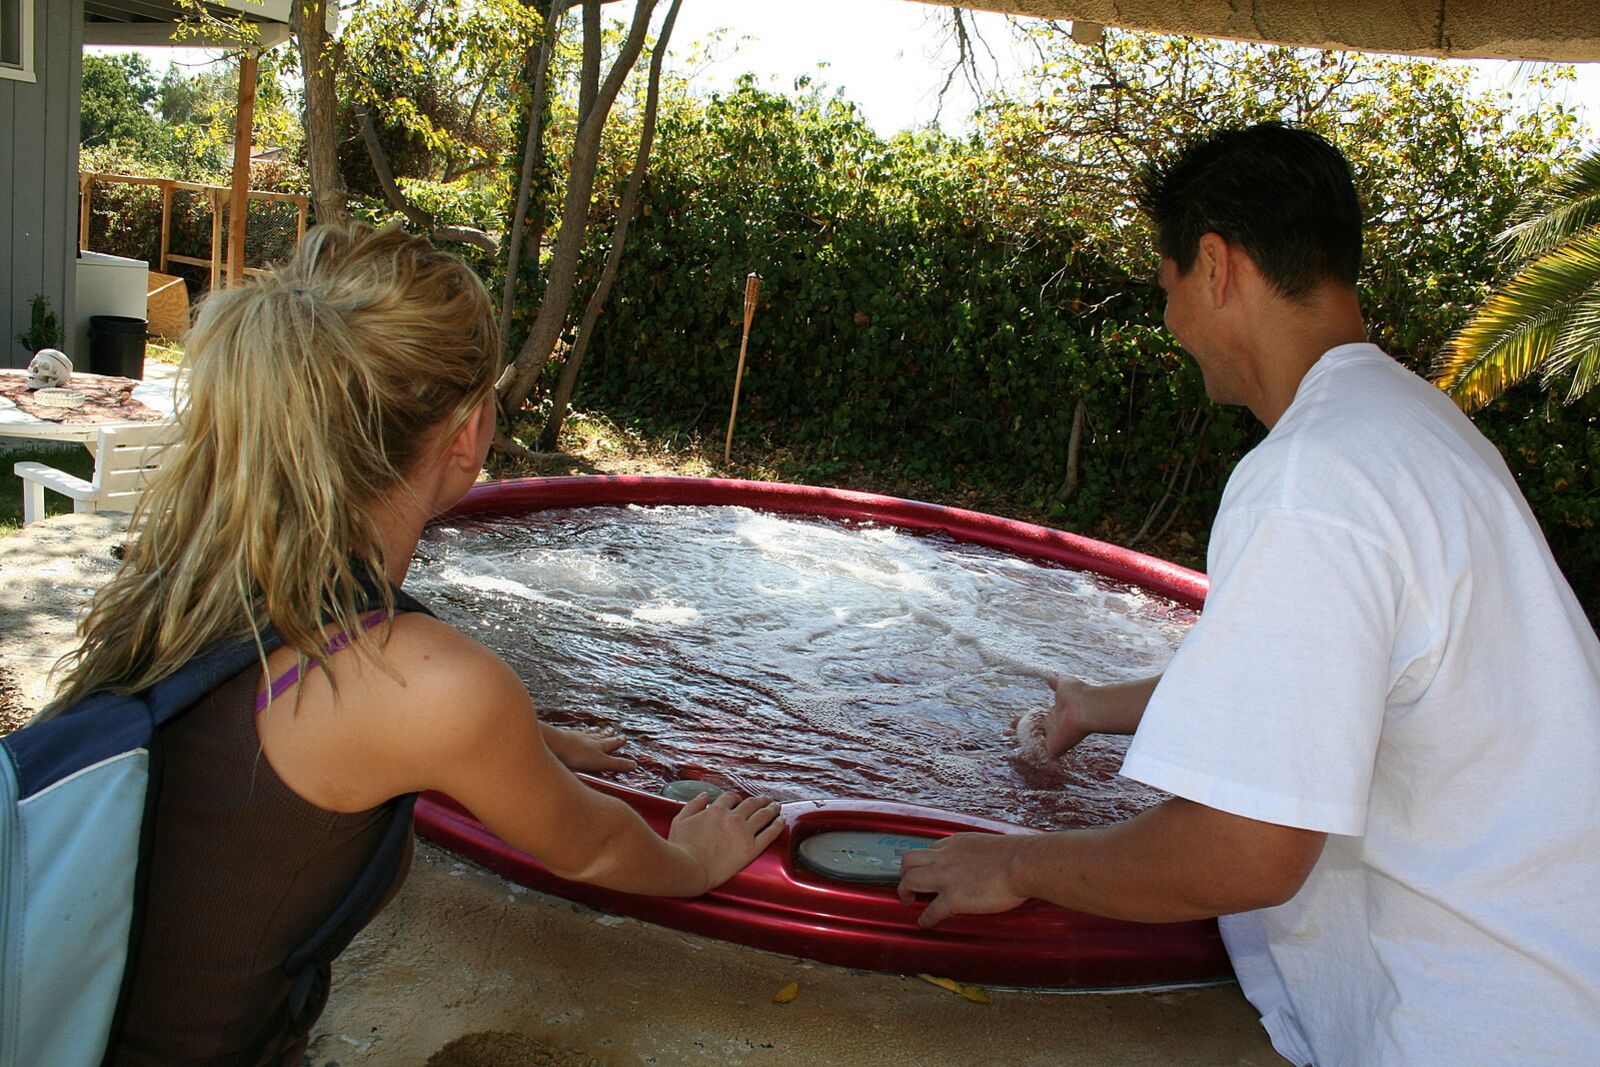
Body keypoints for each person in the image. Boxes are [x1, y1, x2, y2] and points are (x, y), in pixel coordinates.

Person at [897, 123, 1600, 1065]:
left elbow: (1244, 850)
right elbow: (1353, 677)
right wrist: (1105, 706)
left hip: (1481, 1021)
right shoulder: (1413, 426)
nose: (1173, 322)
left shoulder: (1311, 476)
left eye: (1168, 287)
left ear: (1217, 267)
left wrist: (1018, 862)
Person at [39, 222, 785, 1065]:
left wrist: (538, 742)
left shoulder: (205, 564)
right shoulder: (430, 685)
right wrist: (693, 856)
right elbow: (598, 846)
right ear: (467, 432)